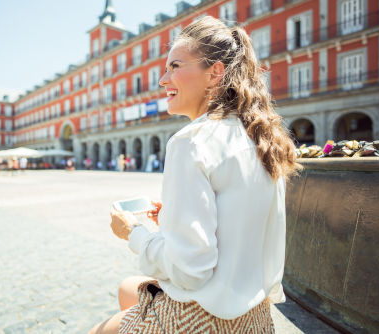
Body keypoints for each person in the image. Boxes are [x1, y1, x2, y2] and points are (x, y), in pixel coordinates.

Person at [90, 16, 300, 334]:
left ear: (214, 73)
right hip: (254, 316)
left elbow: (190, 271)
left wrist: (132, 233)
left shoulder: (191, 142)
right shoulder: (258, 137)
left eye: (175, 66)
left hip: (202, 320)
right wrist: (174, 219)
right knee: (127, 288)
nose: (163, 79)